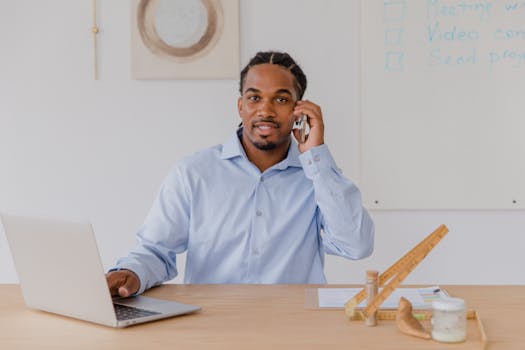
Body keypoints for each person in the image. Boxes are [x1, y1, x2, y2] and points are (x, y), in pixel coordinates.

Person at [106, 51, 374, 297]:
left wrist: (316, 155)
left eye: (281, 99)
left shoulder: (317, 177)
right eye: (254, 97)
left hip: (295, 326)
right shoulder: (194, 172)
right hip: (213, 325)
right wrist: (132, 273)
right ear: (240, 106)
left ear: (298, 111)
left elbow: (356, 245)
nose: (265, 111)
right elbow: (156, 251)